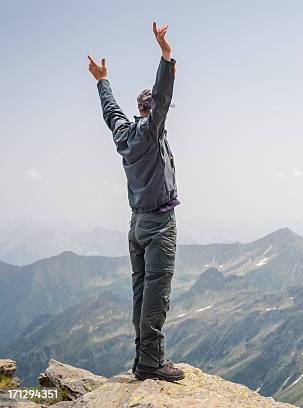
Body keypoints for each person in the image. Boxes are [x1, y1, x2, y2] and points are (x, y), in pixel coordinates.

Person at [87, 22, 184, 382]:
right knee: (157, 292)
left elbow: (111, 112)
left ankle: (144, 357)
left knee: (142, 290)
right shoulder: (149, 132)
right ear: (152, 111)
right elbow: (162, 98)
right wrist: (165, 57)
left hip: (137, 225)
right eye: (159, 110)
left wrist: (102, 81)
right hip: (158, 226)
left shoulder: (124, 133)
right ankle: (152, 362)